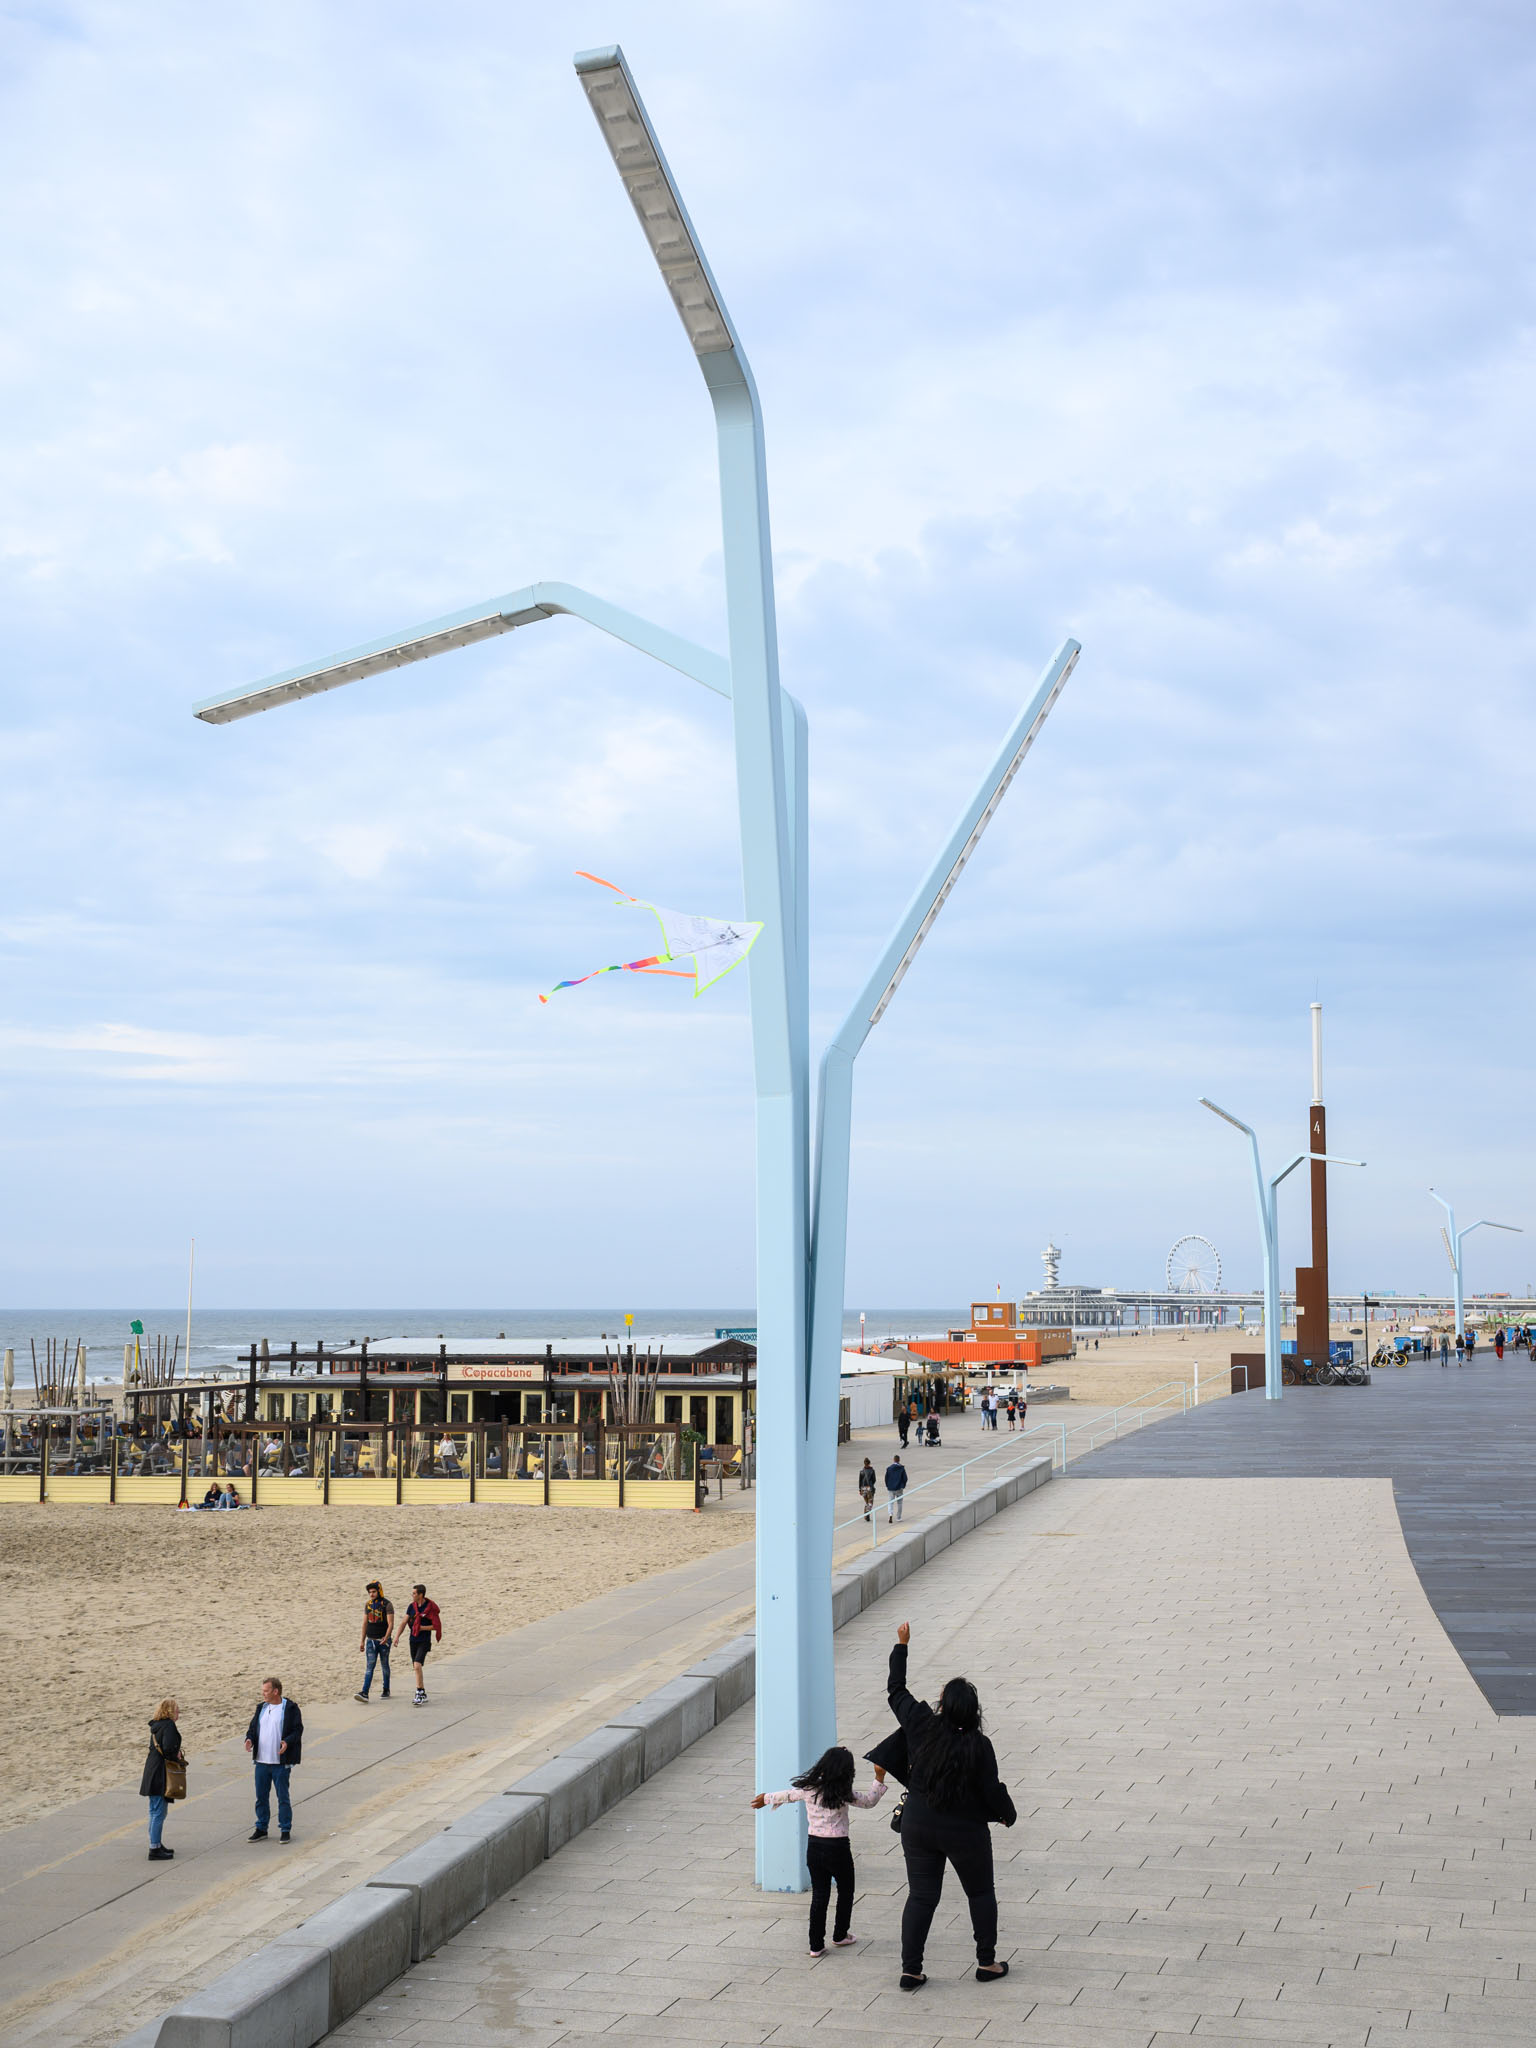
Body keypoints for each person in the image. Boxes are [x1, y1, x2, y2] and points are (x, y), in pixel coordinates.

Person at [878, 1621, 1014, 1992]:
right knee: (980, 1893)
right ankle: (987, 1962)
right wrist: (1007, 1815)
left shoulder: (921, 1724)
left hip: (918, 1825)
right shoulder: (979, 1746)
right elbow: (991, 1790)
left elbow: (895, 1690)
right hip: (965, 1831)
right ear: (973, 1713)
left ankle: (911, 1970)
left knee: (921, 1896)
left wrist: (901, 1645)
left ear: (942, 1705)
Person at [752, 1748, 888, 1956]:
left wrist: (766, 1798)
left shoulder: (810, 1788)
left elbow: (788, 1795)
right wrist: (879, 1776)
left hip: (814, 1847)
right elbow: (869, 1801)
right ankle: (840, 1934)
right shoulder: (844, 1793)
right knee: (845, 1891)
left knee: (820, 1895)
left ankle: (815, 1945)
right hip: (839, 1848)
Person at [244, 1676, 302, 1842]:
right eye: (262, 1691)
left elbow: (298, 1730)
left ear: (275, 1691)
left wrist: (287, 1742)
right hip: (261, 1762)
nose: (263, 1694)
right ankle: (261, 1828)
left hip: (280, 1763)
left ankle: (285, 1828)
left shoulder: (290, 1708)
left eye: (266, 1691)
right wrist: (249, 1740)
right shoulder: (261, 1708)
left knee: (282, 1797)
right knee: (261, 1797)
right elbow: (253, 1729)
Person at [140, 1696, 186, 1861]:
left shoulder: (156, 1726)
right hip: (160, 1773)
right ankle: (154, 1848)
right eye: (177, 1709)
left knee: (154, 1810)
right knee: (159, 1811)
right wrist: (177, 1754)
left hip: (152, 1770)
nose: (178, 1712)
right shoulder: (169, 1726)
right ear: (170, 1711)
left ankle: (156, 1843)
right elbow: (168, 1749)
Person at [396, 1582, 442, 1706]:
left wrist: (422, 1628)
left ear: (421, 1595)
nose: (412, 1595)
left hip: (424, 1641)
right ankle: (423, 1692)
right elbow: (404, 1622)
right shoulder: (411, 1607)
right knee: (417, 1667)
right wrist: (397, 1637)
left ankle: (419, 1693)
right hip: (413, 1640)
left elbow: (436, 1626)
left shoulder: (430, 1607)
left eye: (414, 1593)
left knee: (417, 1665)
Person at [356, 1580, 394, 1701]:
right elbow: (364, 1623)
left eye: (373, 1592)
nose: (371, 1594)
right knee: (370, 1666)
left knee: (384, 1665)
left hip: (384, 1641)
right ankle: (365, 1692)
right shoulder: (368, 1605)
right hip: (371, 1640)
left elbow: (391, 1624)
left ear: (379, 1591)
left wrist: (386, 1637)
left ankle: (386, 1689)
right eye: (370, 1592)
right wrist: (362, 1641)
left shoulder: (387, 1604)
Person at [885, 1452, 908, 1523]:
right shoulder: (901, 1468)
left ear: (893, 1460)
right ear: (899, 1460)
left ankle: (890, 1514)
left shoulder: (889, 1468)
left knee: (890, 1502)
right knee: (899, 1503)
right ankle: (898, 1517)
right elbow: (905, 1478)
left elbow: (886, 1478)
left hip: (891, 1488)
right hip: (899, 1488)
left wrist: (888, 1485)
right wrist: (903, 1485)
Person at [858, 1457, 877, 1523]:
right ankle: (867, 1515)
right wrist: (871, 1485)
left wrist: (860, 1489)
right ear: (869, 1463)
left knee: (867, 1502)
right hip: (870, 1488)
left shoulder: (861, 1471)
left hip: (863, 1488)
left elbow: (860, 1481)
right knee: (870, 1502)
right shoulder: (872, 1471)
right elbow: (874, 1480)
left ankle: (866, 1514)